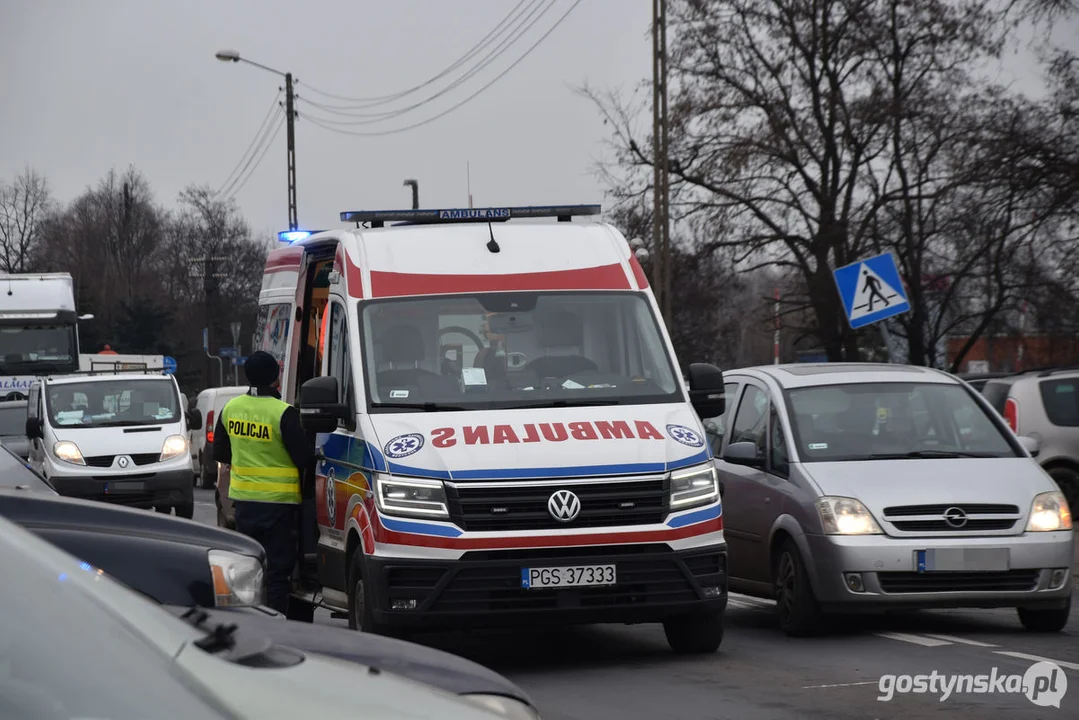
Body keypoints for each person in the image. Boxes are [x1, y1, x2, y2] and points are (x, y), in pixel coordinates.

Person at [212, 351, 313, 613]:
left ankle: (247, 618)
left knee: (247, 567)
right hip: (280, 505)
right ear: (275, 379)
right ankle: (276, 622)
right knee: (278, 573)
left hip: (244, 503)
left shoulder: (231, 409)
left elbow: (221, 454)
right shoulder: (284, 413)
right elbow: (303, 457)